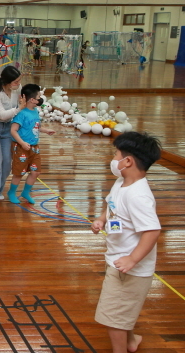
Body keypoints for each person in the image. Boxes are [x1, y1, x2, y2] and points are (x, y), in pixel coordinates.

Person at [91, 132, 162, 353]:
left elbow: (152, 231)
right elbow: (111, 204)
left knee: (112, 316)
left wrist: (132, 259)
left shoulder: (138, 196)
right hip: (117, 258)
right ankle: (131, 342)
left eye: (116, 154)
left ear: (128, 161)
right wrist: (102, 219)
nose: (113, 159)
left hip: (130, 268)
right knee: (121, 310)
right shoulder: (121, 182)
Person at [8, 84, 55, 204]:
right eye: (39, 96)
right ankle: (12, 192)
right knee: (19, 173)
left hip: (34, 146)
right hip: (21, 147)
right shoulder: (21, 113)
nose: (40, 99)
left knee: (35, 171)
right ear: (32, 99)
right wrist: (22, 143)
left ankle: (25, 192)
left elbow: (35, 126)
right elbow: (13, 130)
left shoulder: (35, 111)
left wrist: (45, 130)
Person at [0, 66, 25, 204]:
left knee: (7, 162)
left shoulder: (17, 89)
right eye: (15, 82)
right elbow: (1, 114)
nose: (18, 84)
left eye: (19, 81)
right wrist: (19, 108)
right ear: (6, 81)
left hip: (8, 129)